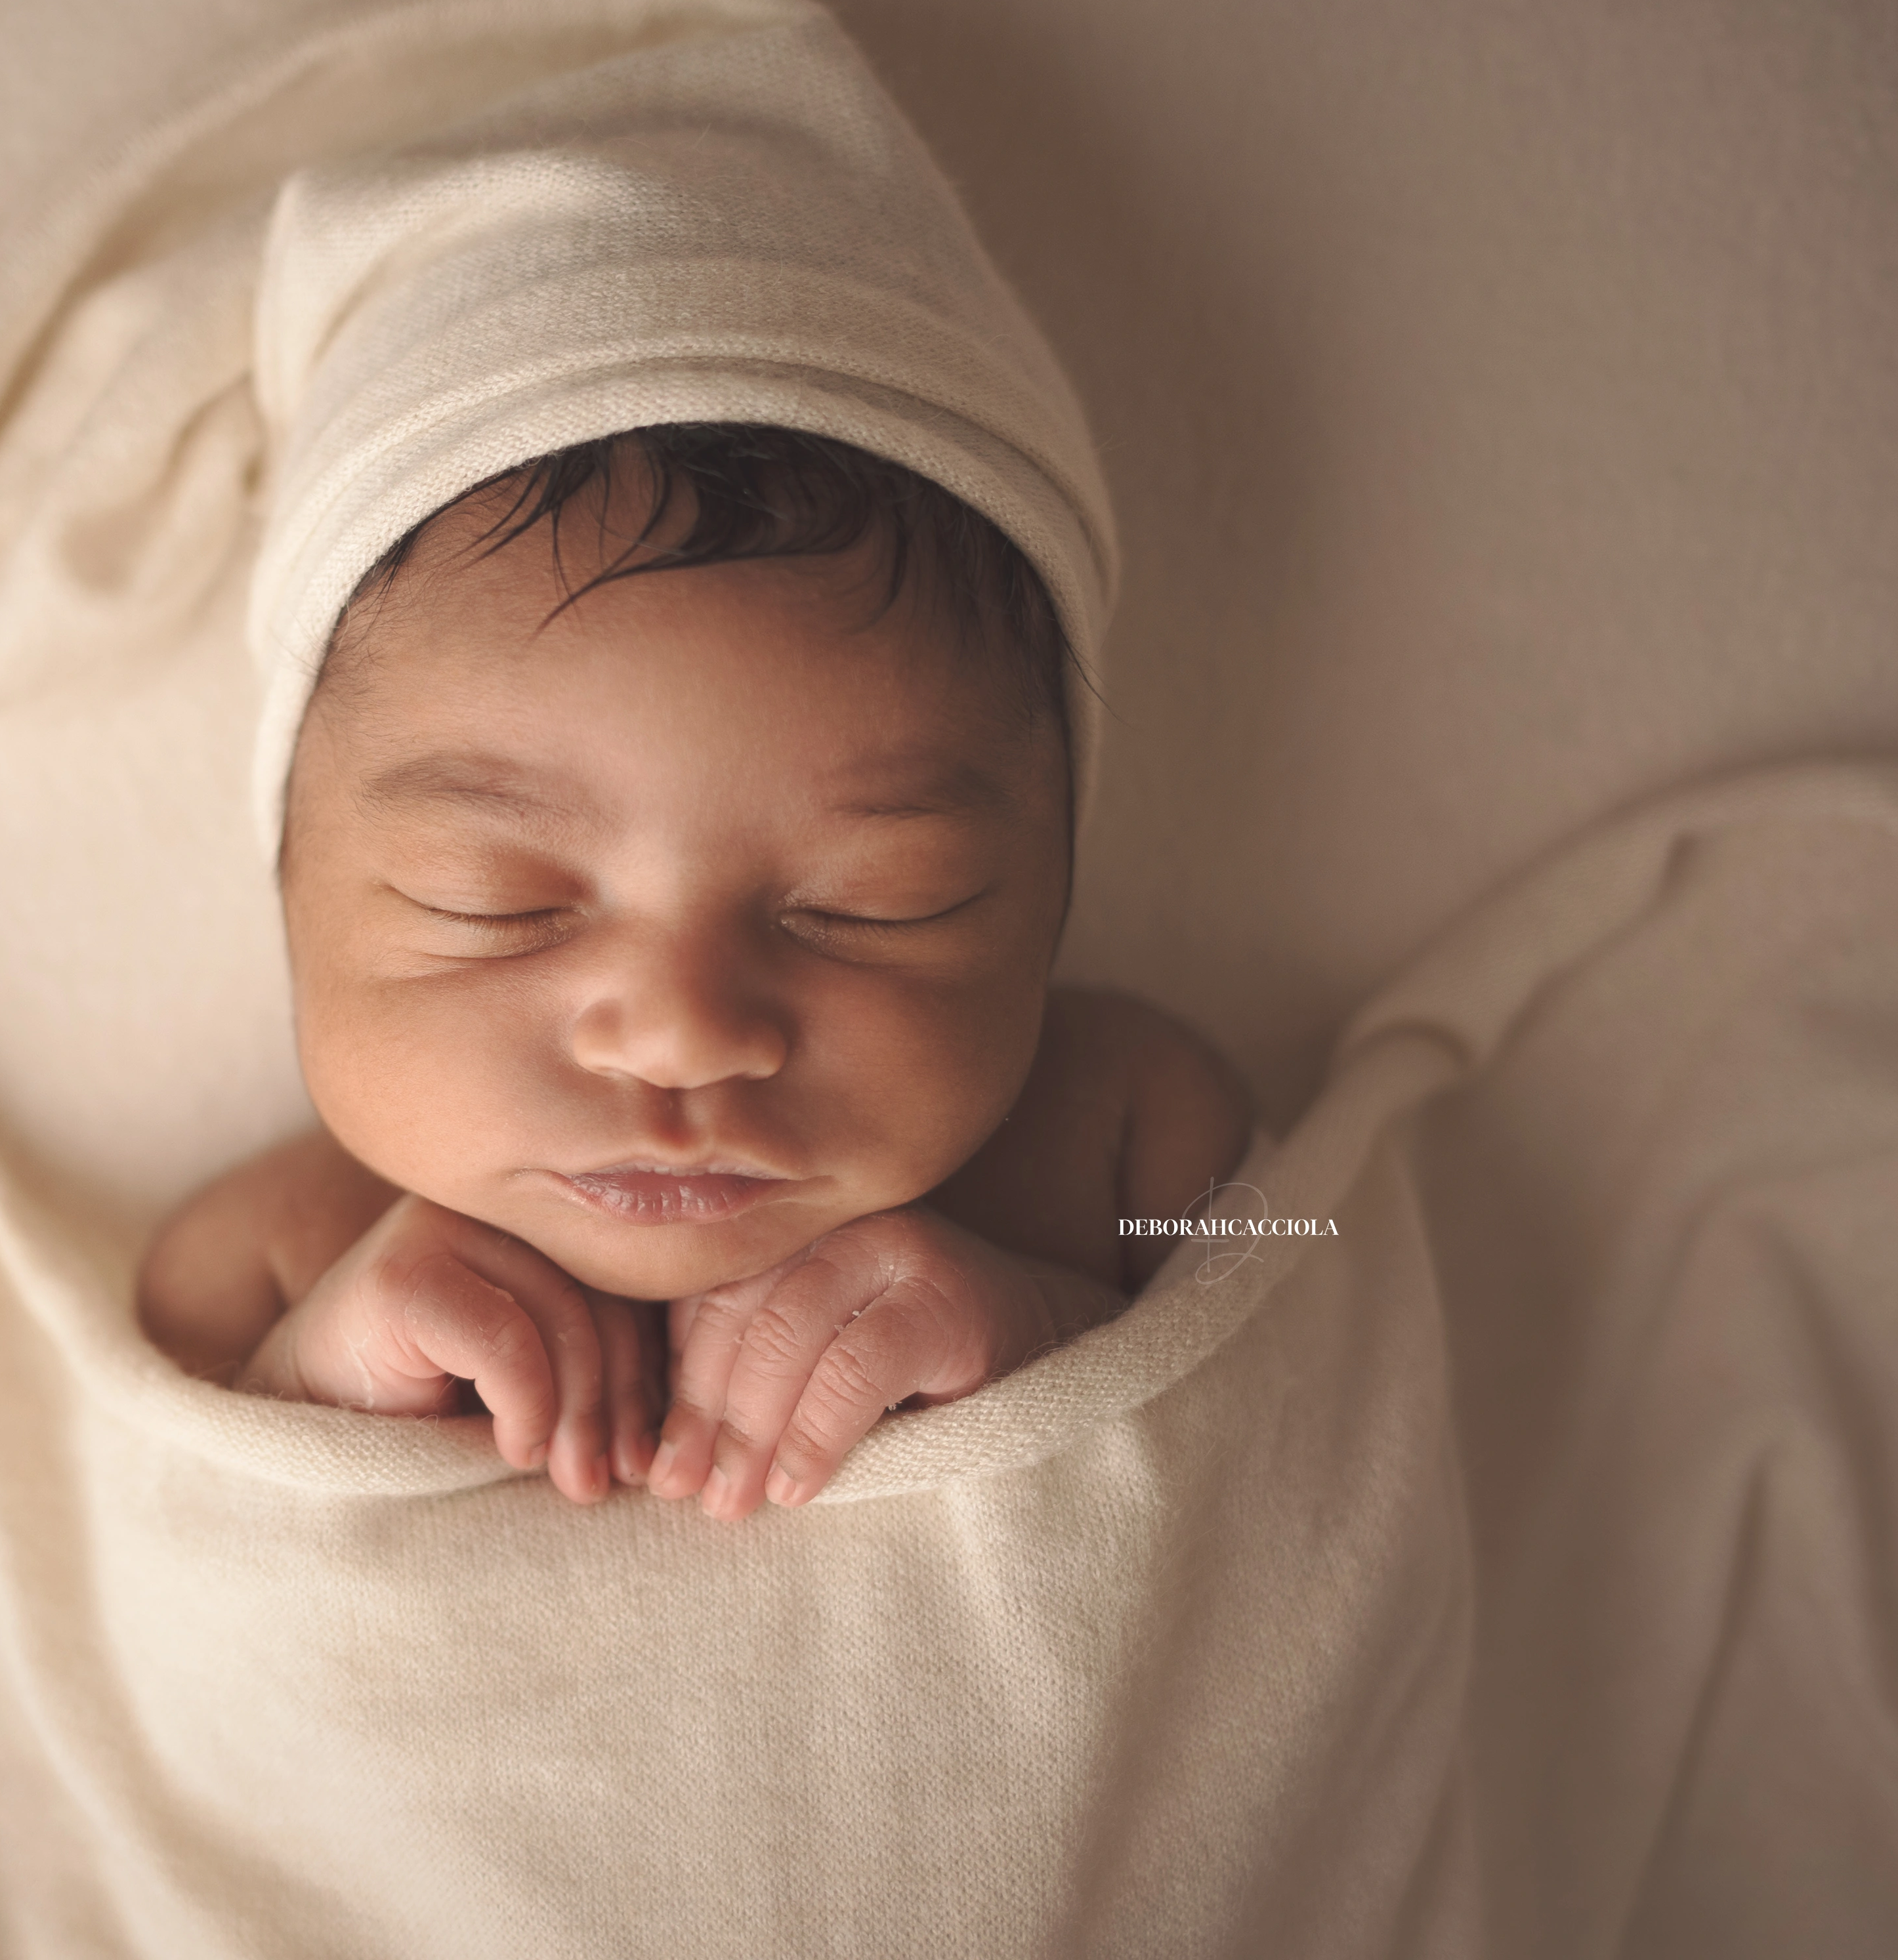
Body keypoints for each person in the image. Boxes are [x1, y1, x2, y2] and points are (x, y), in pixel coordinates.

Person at [140, 420, 1252, 1519]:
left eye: (869, 906)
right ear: (293, 899)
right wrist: (318, 1383)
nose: (681, 1036)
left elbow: (1298, 1354)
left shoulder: (1125, 1134)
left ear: (1050, 900)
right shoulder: (262, 1258)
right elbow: (155, 1533)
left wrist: (1047, 1336)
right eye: (491, 902)